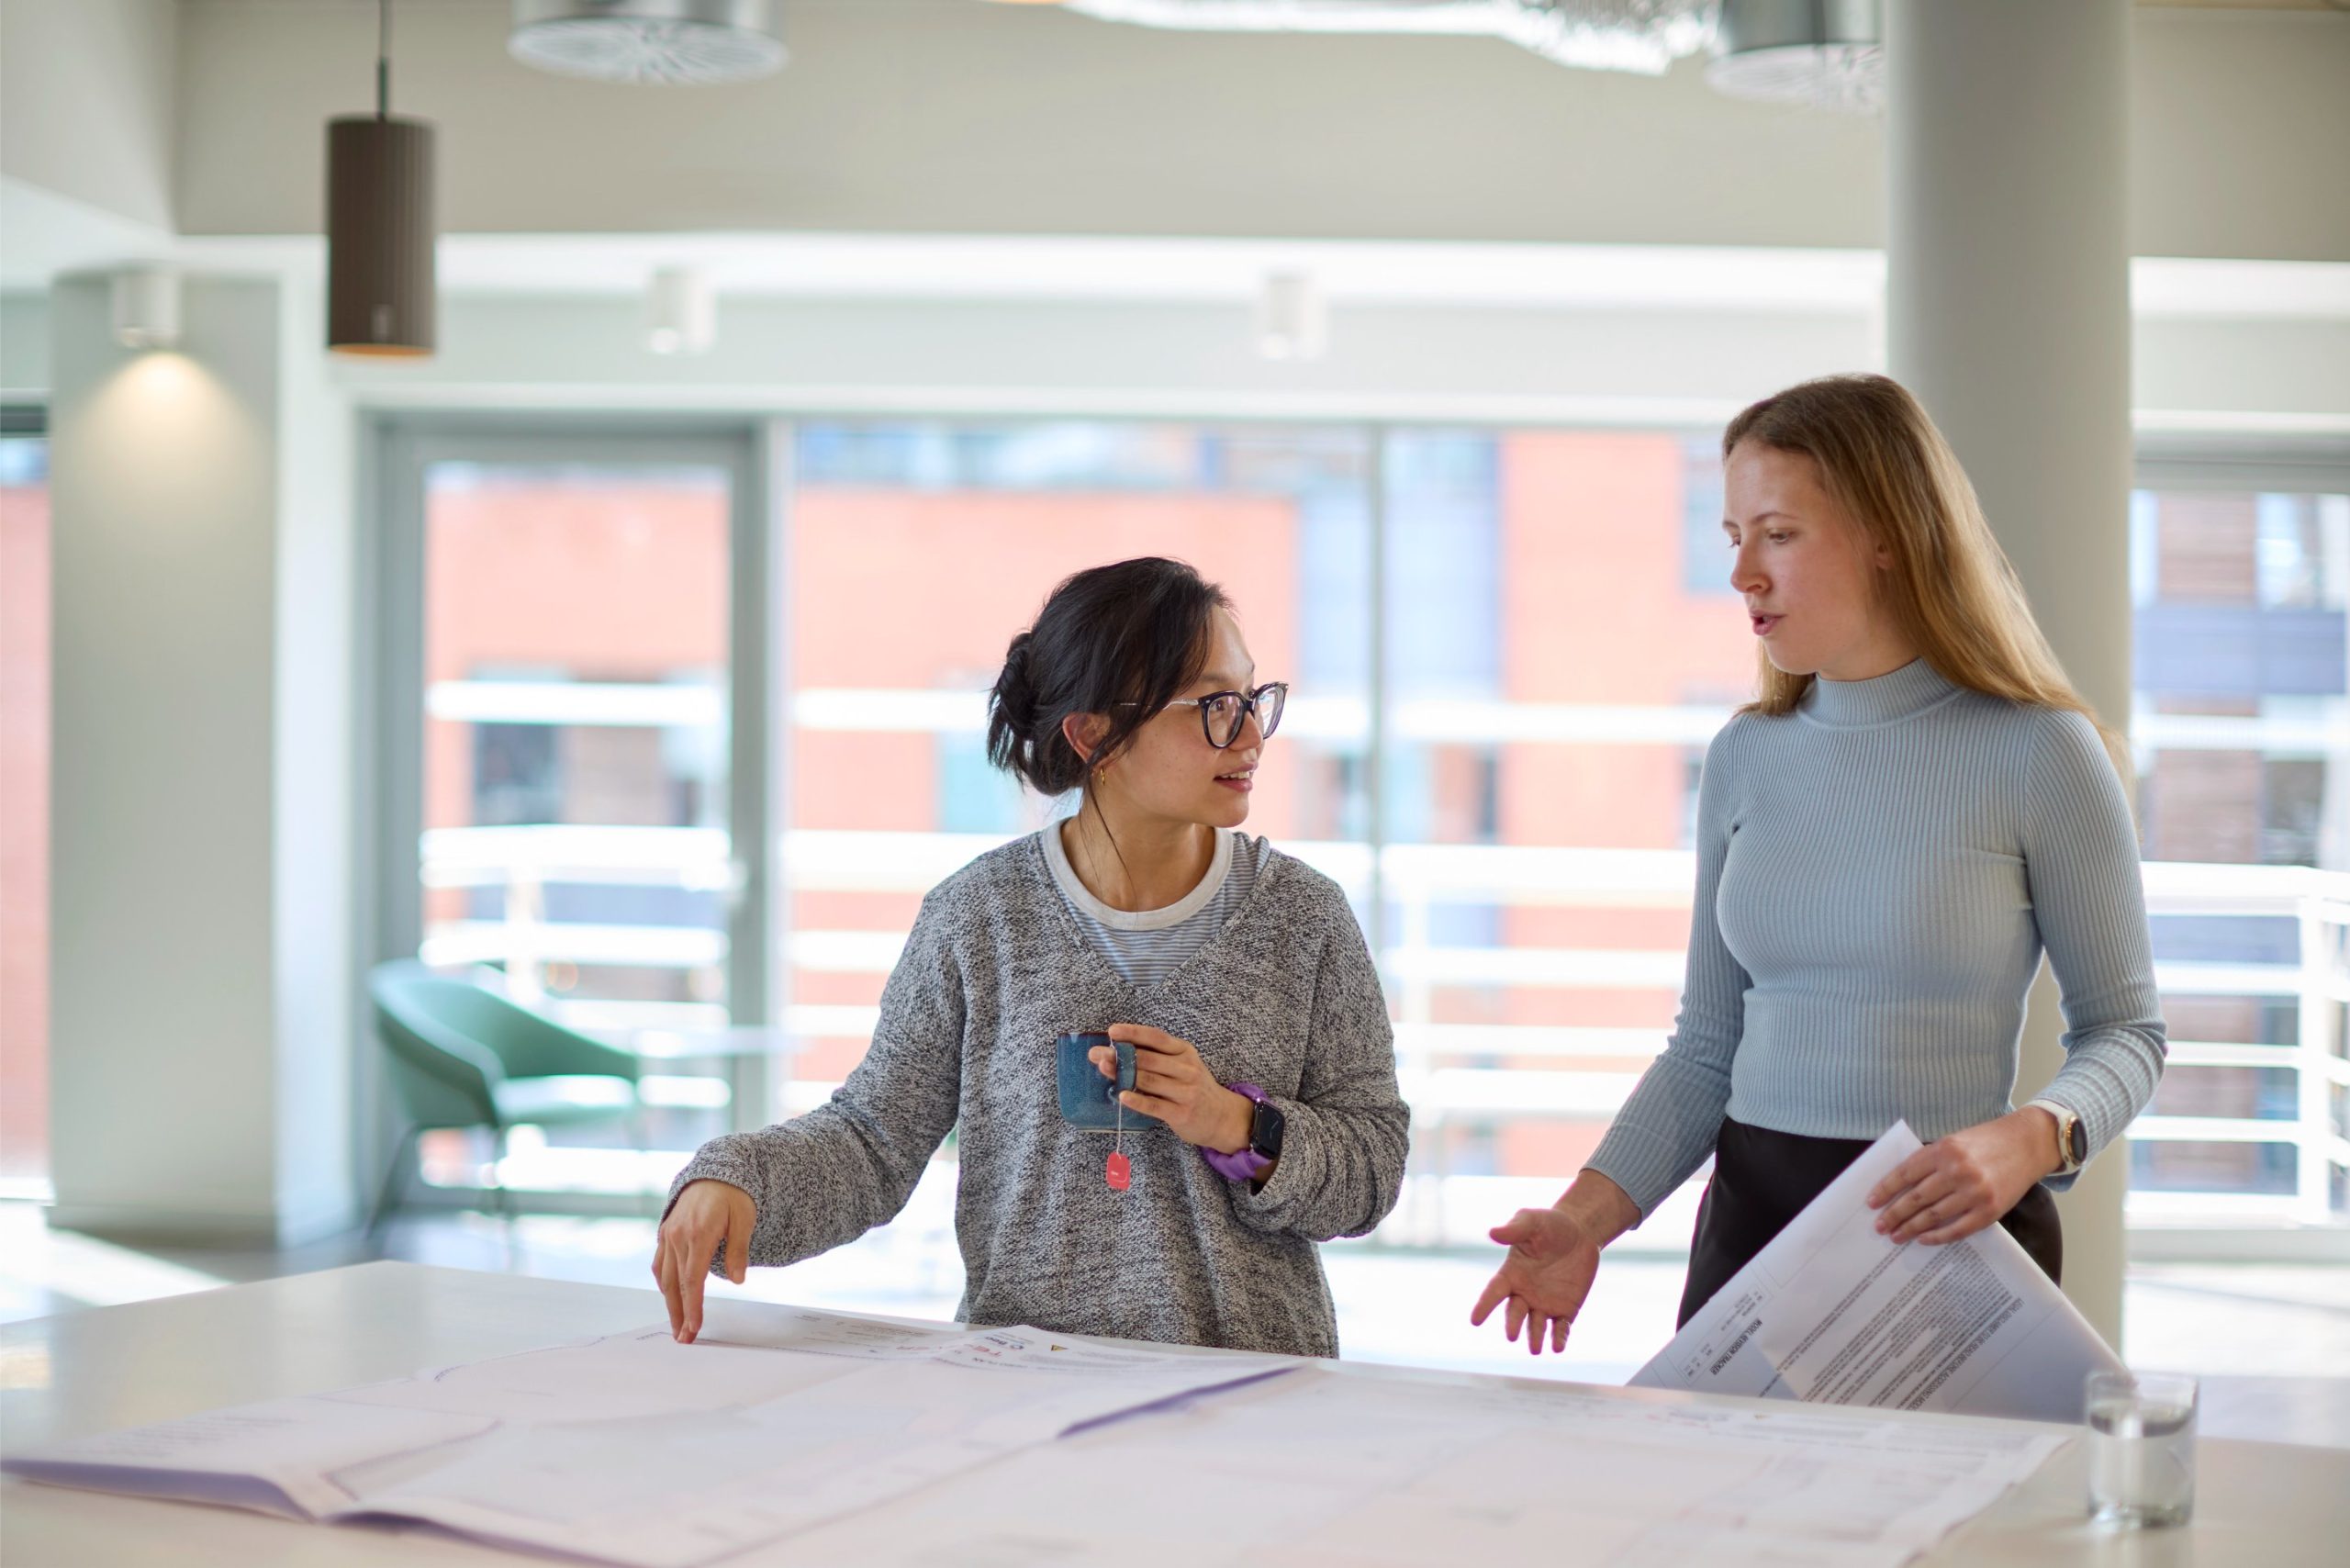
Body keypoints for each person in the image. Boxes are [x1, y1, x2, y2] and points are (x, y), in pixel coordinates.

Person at [1472, 373, 2166, 1355]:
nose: (1743, 573)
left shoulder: (2040, 751)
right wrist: (1582, 1219)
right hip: (1752, 1226)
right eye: (1732, 537)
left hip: (1947, 1233)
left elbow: (2127, 1032)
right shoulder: (1745, 755)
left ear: (1887, 532)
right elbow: (1707, 1045)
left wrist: (2030, 1137)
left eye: (1778, 533)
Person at [655, 555, 1409, 1357]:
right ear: (1094, 736)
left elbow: (1373, 1168)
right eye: (1215, 707)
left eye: (1254, 699)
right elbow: (872, 1140)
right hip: (1022, 1405)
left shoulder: (1304, 917)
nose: (1252, 734)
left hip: (1258, 1407)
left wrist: (1232, 1120)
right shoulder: (977, 918)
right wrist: (735, 1176)